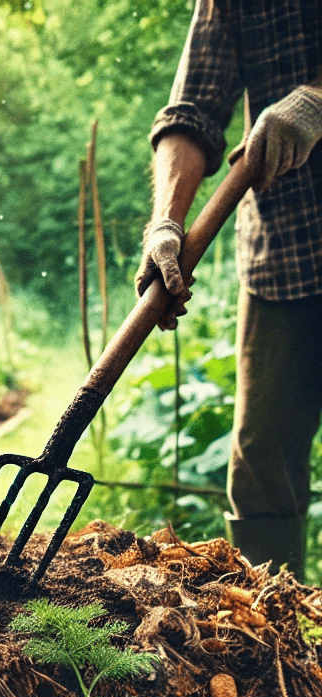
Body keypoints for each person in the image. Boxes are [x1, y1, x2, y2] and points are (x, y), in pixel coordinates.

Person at [136, 0, 322, 581]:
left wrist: (317, 96)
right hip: (285, 254)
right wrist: (166, 222)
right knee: (261, 463)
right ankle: (278, 642)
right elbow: (191, 111)